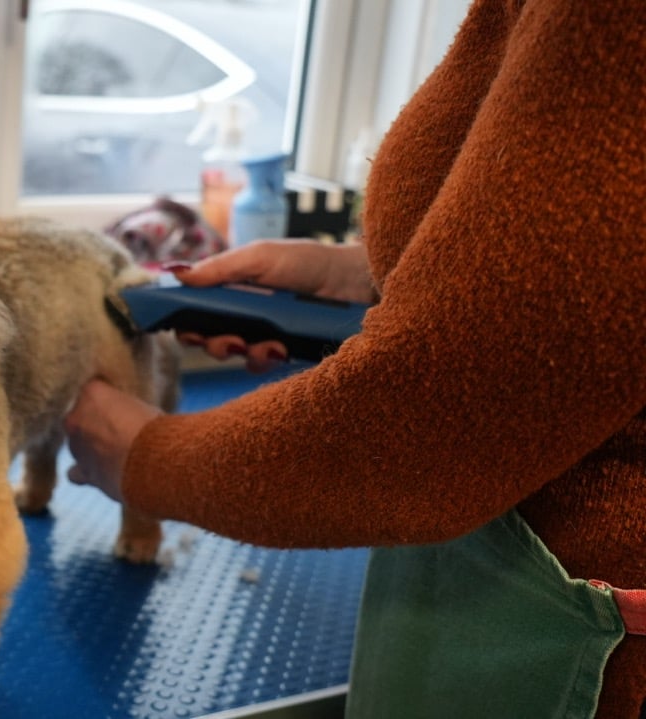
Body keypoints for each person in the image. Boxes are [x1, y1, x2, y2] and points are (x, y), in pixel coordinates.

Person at [62, 0, 646, 716]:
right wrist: (369, 273)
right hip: (488, 565)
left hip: (595, 645)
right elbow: (572, 267)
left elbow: (428, 420)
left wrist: (144, 459)